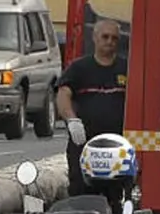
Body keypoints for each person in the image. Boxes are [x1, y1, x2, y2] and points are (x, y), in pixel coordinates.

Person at [56, 19, 129, 196]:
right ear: (95, 38)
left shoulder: (127, 68)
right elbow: (63, 94)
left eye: (114, 38)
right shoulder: (79, 68)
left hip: (117, 146)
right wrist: (72, 120)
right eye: (105, 37)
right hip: (84, 145)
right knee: (82, 192)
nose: (110, 41)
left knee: (116, 193)